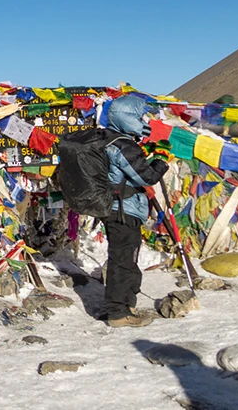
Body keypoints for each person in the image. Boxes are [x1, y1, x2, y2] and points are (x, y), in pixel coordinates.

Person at [102, 96, 169, 328]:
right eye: (139, 117)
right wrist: (161, 160)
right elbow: (146, 177)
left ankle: (127, 304)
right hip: (123, 210)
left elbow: (127, 171)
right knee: (122, 260)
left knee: (127, 257)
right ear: (127, 118)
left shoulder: (109, 139)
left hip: (117, 207)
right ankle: (118, 314)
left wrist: (146, 156)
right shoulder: (123, 145)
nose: (143, 121)